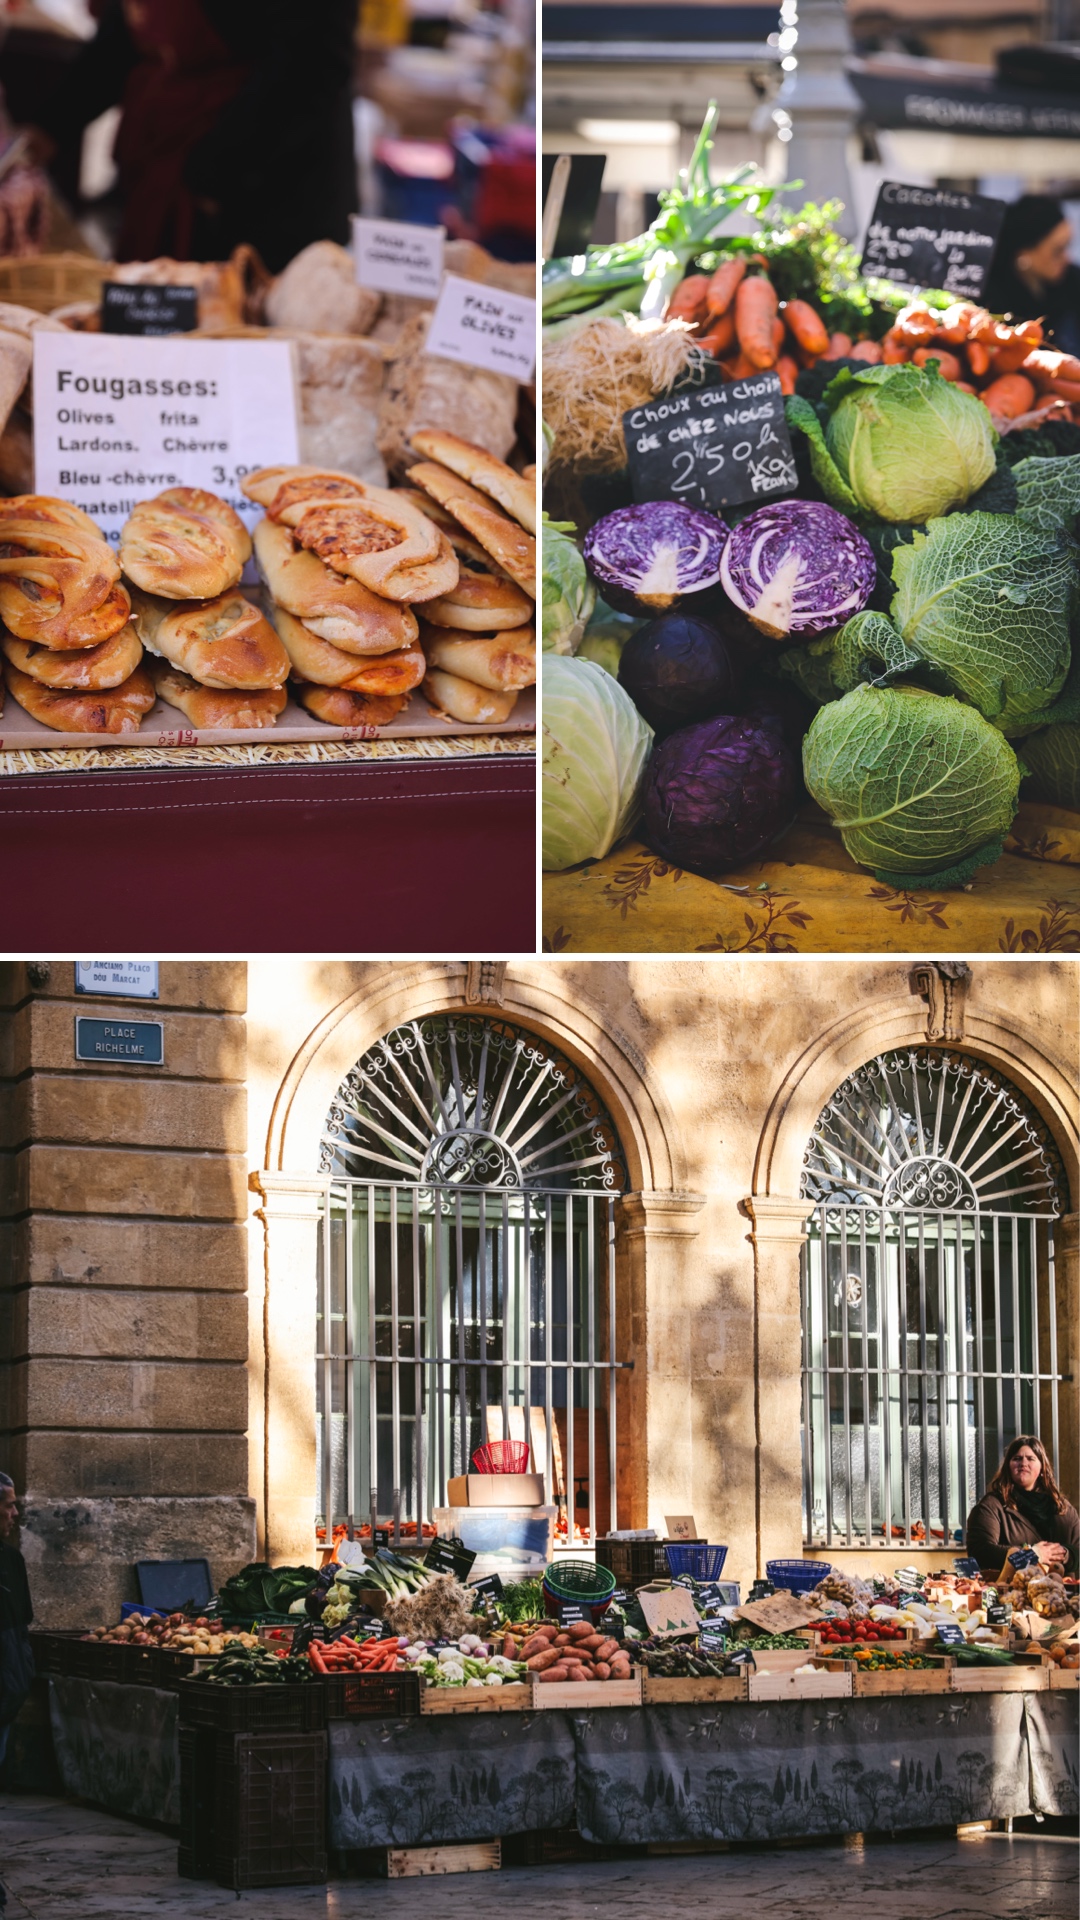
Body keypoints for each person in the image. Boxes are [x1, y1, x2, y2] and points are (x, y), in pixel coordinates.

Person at [27, 0, 357, 271]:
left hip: (269, 190)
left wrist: (209, 175)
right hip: (166, 169)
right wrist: (48, 127)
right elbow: (126, 34)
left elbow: (312, 62)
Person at [982, 194, 1080, 357]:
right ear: (1024, 255)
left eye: (1068, 246)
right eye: (1057, 251)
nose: (1067, 258)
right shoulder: (992, 298)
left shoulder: (1073, 279)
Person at [966, 1434, 1079, 1574]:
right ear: (1008, 1467)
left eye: (1031, 1458)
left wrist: (1065, 1554)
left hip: (1061, 1592)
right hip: (1010, 1592)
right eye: (1017, 1459)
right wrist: (1031, 1554)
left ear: (1043, 1469)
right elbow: (981, 1552)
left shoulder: (1063, 1509)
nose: (1023, 1463)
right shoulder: (992, 1506)